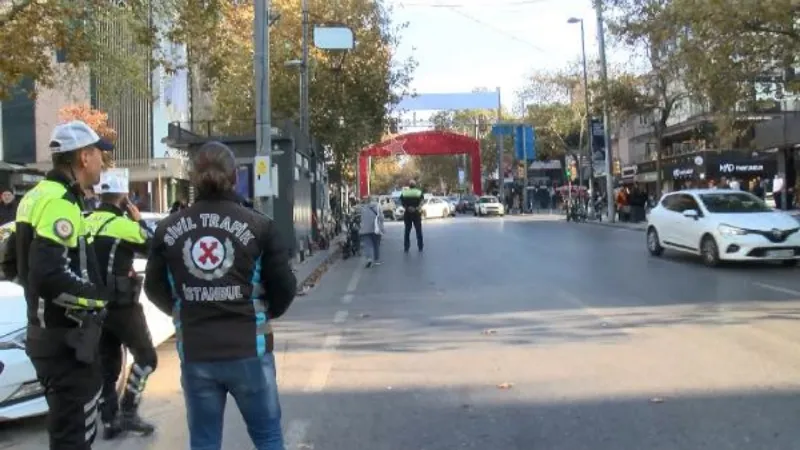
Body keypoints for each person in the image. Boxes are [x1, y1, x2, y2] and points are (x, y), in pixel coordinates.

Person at [144, 141, 297, 450]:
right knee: (267, 436)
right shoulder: (260, 227)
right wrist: (264, 313)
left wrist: (184, 311)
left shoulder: (167, 229)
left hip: (197, 353)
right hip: (249, 351)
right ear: (235, 176)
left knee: (204, 441)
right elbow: (284, 289)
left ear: (191, 178)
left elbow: (153, 287)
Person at [12, 120, 113, 449]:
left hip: (44, 335)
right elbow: (49, 274)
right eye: (100, 153)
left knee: (64, 429)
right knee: (75, 435)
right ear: (84, 157)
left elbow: (10, 261)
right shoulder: (61, 203)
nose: (103, 162)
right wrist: (96, 301)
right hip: (66, 340)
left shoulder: (35, 196)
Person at [85, 170, 157, 439]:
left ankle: (109, 419)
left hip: (94, 306)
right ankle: (128, 412)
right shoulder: (125, 226)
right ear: (124, 196)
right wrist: (137, 218)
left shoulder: (86, 221)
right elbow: (153, 247)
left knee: (107, 364)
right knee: (147, 357)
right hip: (123, 306)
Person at [359, 196, 384, 267]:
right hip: (376, 229)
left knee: (367, 245)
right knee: (376, 245)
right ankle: (376, 260)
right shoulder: (378, 206)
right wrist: (381, 227)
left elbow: (361, 218)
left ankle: (369, 258)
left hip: (365, 229)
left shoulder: (363, 207)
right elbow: (381, 217)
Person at [399, 180, 424, 252]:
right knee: (418, 231)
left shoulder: (405, 192)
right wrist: (416, 208)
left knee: (407, 231)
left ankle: (406, 247)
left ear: (409, 185)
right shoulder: (419, 192)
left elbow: (401, 202)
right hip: (416, 213)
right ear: (415, 185)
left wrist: (407, 207)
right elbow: (422, 202)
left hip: (407, 213)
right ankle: (420, 246)